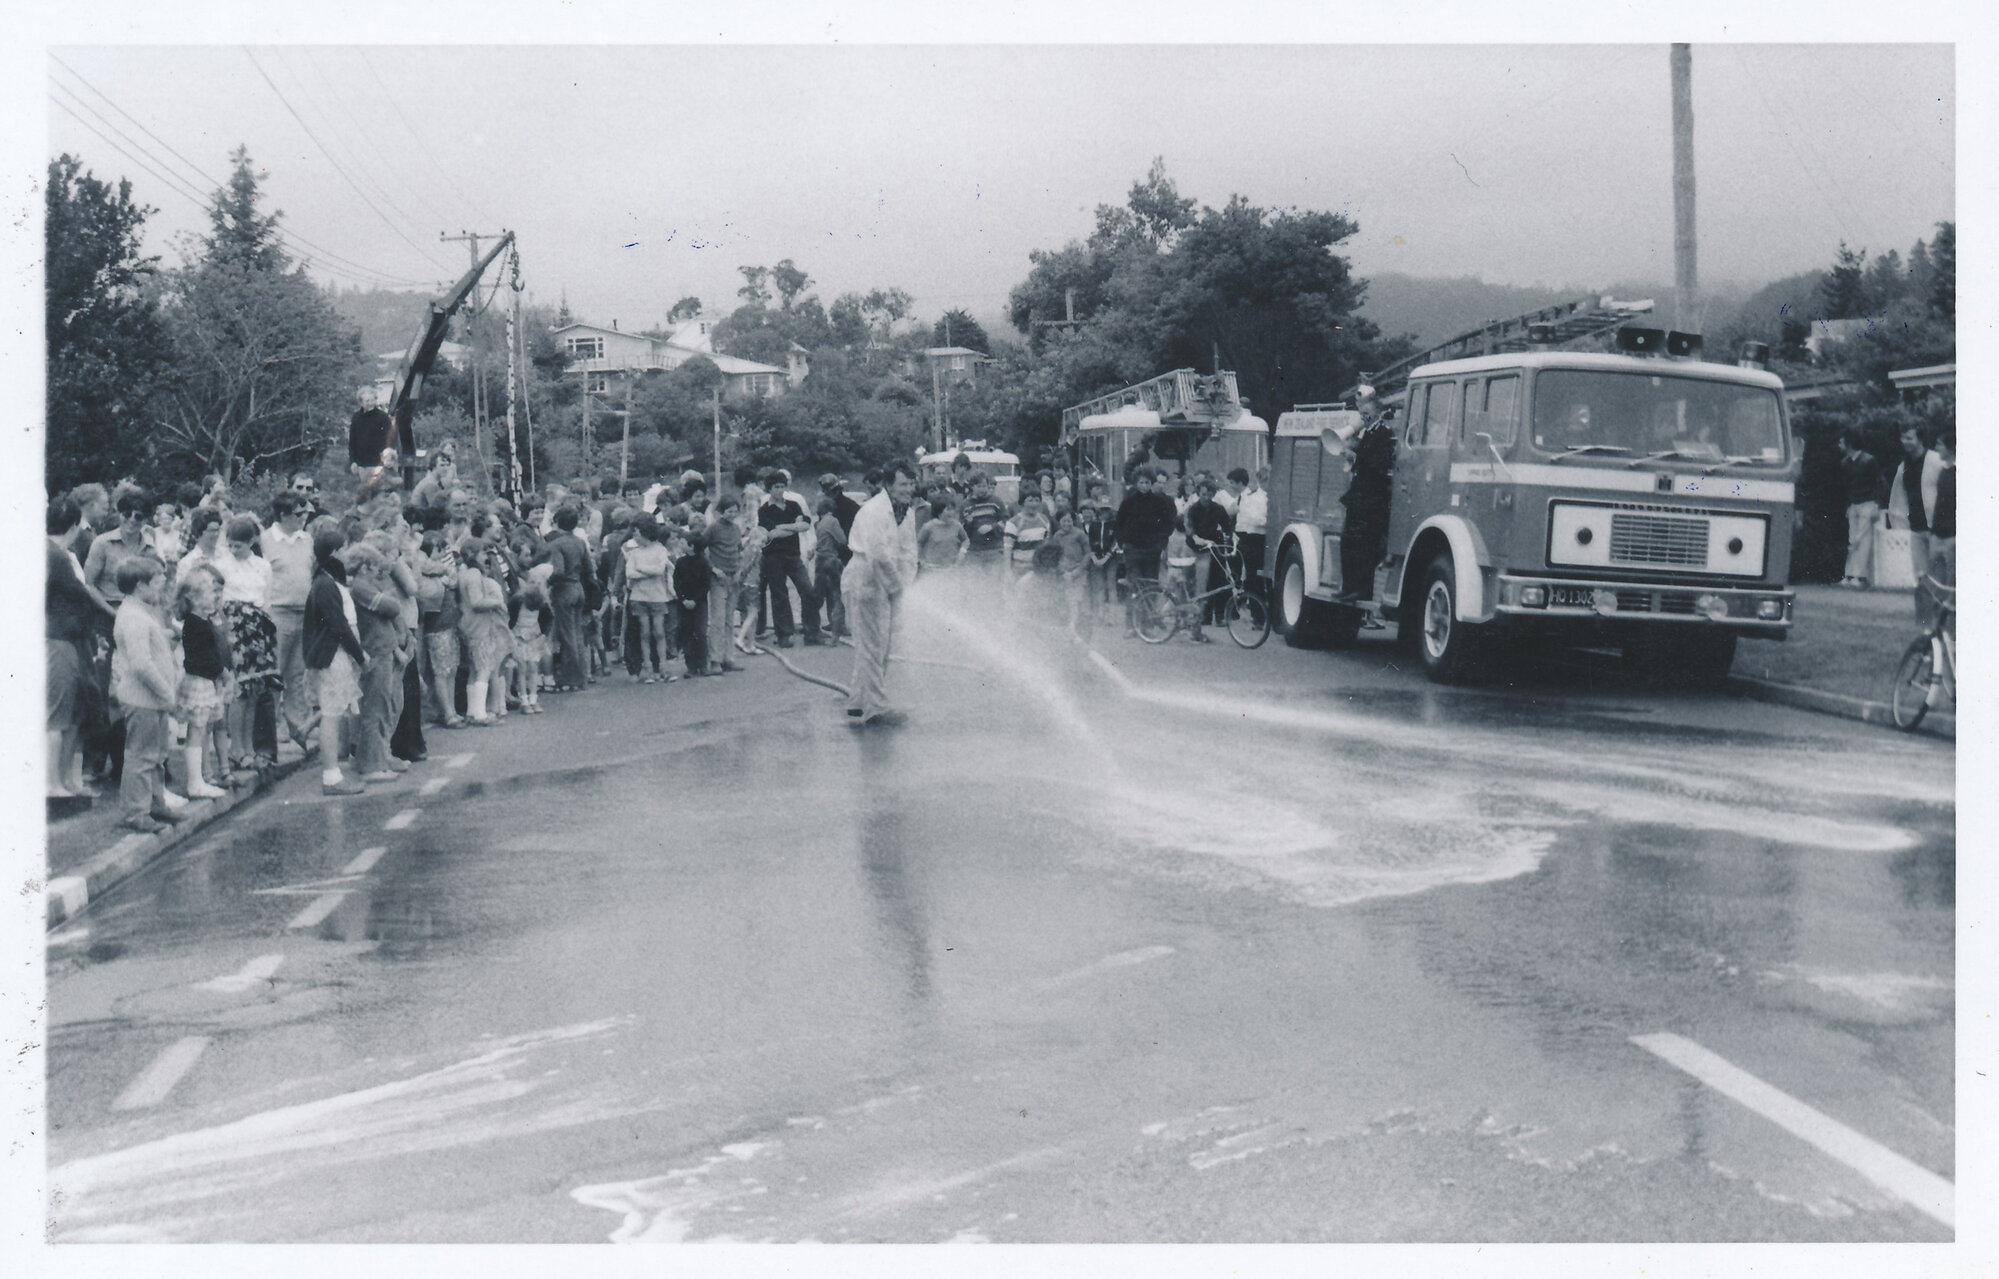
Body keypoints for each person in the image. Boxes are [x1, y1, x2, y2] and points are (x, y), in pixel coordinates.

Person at [111, 559, 187, 832]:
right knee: (141, 756)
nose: (162, 586)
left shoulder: (141, 612)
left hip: (151, 700)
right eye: (156, 582)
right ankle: (136, 813)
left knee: (156, 755)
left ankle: (156, 804)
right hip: (142, 699)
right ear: (140, 586)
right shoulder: (133, 617)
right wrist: (167, 693)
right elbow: (141, 664)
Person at [845, 461, 920, 727]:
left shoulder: (906, 512)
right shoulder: (874, 511)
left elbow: (909, 552)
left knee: (880, 644)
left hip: (888, 580)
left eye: (911, 484)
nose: (908, 489)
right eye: (902, 484)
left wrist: (904, 586)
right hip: (865, 577)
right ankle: (875, 708)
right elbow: (878, 555)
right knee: (872, 645)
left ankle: (857, 700)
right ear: (888, 484)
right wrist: (896, 588)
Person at [48, 497, 112, 799]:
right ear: (74, 526)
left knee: (73, 714)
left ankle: (67, 780)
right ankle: (52, 783)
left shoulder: (61, 554)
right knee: (59, 716)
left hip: (75, 641)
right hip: (60, 639)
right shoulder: (55, 556)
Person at [303, 528, 368, 796]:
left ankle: (331, 772)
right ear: (333, 553)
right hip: (331, 656)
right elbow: (338, 625)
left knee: (335, 711)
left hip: (332, 655)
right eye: (343, 549)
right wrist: (359, 654)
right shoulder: (326, 585)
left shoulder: (327, 581)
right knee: (331, 715)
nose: (347, 553)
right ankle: (331, 777)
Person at [216, 515, 281, 769]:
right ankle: (236, 749)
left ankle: (250, 747)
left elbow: (266, 599)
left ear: (251, 541)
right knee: (240, 691)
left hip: (258, 627)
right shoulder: (222, 565)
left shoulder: (263, 566)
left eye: (238, 546)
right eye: (230, 545)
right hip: (235, 628)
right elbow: (219, 600)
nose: (233, 550)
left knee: (256, 690)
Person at [261, 491, 316, 749]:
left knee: (297, 674)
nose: (303, 518)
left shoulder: (306, 539)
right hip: (277, 613)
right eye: (298, 514)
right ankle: (271, 730)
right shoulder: (265, 540)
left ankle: (299, 728)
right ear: (282, 515)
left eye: (305, 513)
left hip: (304, 614)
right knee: (275, 673)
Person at [173, 562, 233, 799]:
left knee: (200, 730)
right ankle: (195, 782)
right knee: (196, 732)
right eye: (210, 593)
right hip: (199, 681)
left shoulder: (202, 620)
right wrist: (222, 672)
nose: (215, 597)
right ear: (195, 597)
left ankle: (198, 779)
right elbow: (203, 658)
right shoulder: (195, 623)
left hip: (206, 681)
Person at [1886, 423, 1946, 626]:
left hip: (1937, 529)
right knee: (1920, 577)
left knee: (1938, 578)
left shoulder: (1936, 462)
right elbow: (1898, 496)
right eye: (1903, 437)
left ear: (1920, 439)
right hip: (1916, 528)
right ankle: (1923, 623)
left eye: (1910, 438)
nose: (1905, 442)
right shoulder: (1904, 466)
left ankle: (1941, 620)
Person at [757, 472, 823, 647]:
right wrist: (794, 527)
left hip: (793, 555)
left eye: (782, 486)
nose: (780, 490)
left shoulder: (794, 505)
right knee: (779, 595)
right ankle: (784, 634)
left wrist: (785, 527)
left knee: (808, 590)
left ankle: (812, 633)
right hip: (773, 557)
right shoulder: (763, 510)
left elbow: (806, 525)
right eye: (776, 487)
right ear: (769, 489)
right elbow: (772, 533)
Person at [1338, 408, 1397, 603]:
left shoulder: (1385, 434)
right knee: (1348, 542)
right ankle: (1348, 586)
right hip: (1359, 495)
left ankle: (1362, 590)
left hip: (1372, 498)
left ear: (1377, 412)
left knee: (1365, 545)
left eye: (1366, 412)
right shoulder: (1366, 434)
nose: (1362, 416)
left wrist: (1355, 457)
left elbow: (1379, 464)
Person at [543, 505, 597, 692]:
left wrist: (546, 582)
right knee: (578, 634)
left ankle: (571, 678)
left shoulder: (556, 545)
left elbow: (558, 571)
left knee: (567, 636)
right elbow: (589, 570)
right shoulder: (580, 542)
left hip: (563, 590)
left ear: (557, 522)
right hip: (578, 588)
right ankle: (582, 676)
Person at [700, 494, 747, 675]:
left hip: (733, 578)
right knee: (718, 620)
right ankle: (715, 660)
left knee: (729, 620)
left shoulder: (736, 529)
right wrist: (713, 569)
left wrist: (738, 570)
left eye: (735, 511)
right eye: (729, 511)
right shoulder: (713, 528)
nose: (732, 514)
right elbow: (702, 549)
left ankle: (729, 657)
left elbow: (738, 551)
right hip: (718, 579)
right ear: (721, 511)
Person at [624, 517, 675, 683]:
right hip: (639, 597)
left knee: (659, 632)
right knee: (644, 632)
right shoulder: (634, 552)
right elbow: (629, 573)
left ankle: (663, 667)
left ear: (645, 532)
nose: (634, 535)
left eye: (636, 532)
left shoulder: (660, 550)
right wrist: (648, 572)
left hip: (657, 597)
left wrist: (641, 569)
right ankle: (648, 668)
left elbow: (660, 569)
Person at [1114, 468, 1177, 598]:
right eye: (1141, 482)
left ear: (1151, 483)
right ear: (1136, 483)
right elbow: (1119, 523)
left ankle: (1150, 616)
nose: (1144, 486)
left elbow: (1168, 524)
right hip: (1133, 550)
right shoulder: (1128, 502)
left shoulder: (1159, 503)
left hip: (1152, 551)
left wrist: (1161, 543)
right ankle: (1133, 616)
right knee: (1134, 584)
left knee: (1151, 585)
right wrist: (1123, 543)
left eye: (1147, 482)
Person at [1185, 476, 1236, 625]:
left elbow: (1227, 526)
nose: (1206, 497)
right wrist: (1196, 538)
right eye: (1203, 494)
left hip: (1214, 546)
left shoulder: (1218, 509)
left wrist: (1230, 537)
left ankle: (1219, 616)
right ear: (1198, 494)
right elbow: (1190, 530)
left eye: (1209, 495)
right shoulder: (1193, 509)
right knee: (1203, 583)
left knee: (1219, 581)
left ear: (1213, 495)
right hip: (1198, 548)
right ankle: (1204, 616)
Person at [1838, 432, 1883, 588]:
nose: (1839, 445)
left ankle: (1861, 576)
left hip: (1868, 503)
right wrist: (1848, 505)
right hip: (1854, 504)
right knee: (1852, 540)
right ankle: (1849, 575)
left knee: (1862, 540)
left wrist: (1876, 505)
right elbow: (1847, 487)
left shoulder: (1869, 461)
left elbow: (1878, 483)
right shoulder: (1845, 463)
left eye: (1842, 442)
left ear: (1849, 443)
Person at [671, 530, 712, 676]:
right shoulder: (681, 562)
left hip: (699, 603)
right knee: (687, 632)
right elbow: (676, 583)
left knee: (700, 633)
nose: (680, 545)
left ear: (692, 546)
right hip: (684, 603)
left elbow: (706, 584)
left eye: (683, 543)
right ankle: (691, 666)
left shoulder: (703, 562)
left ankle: (703, 664)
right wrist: (683, 599)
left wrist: (695, 599)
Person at [1164, 516, 1208, 642]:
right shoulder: (1184, 540)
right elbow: (1185, 556)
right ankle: (1172, 619)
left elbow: (1165, 555)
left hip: (1171, 569)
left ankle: (1176, 620)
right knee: (1181, 597)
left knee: (1175, 596)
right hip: (1181, 570)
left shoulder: (1170, 538)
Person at [812, 496, 850, 640]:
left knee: (820, 592)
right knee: (836, 593)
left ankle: (814, 626)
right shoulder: (833, 521)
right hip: (831, 558)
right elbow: (842, 540)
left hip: (819, 559)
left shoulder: (819, 523)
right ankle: (839, 626)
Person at [960, 474, 1009, 578]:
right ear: (972, 487)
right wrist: (968, 523)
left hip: (994, 550)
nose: (982, 489)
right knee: (975, 584)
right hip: (974, 551)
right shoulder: (965, 505)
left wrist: (992, 527)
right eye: (979, 486)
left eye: (984, 486)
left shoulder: (996, 502)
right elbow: (961, 530)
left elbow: (1005, 521)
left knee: (993, 583)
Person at [1004, 489, 1053, 578]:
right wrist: (1007, 571)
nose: (1034, 504)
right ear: (1022, 503)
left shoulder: (1044, 520)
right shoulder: (1013, 523)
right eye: (1030, 500)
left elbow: (1046, 546)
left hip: (1038, 570)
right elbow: (1007, 550)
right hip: (1019, 570)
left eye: (1037, 500)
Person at [917, 499, 968, 571]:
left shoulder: (957, 525)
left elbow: (965, 539)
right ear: (939, 511)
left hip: (952, 567)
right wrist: (921, 561)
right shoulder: (928, 527)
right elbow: (919, 544)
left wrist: (962, 551)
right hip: (933, 568)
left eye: (953, 509)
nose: (951, 512)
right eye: (948, 509)